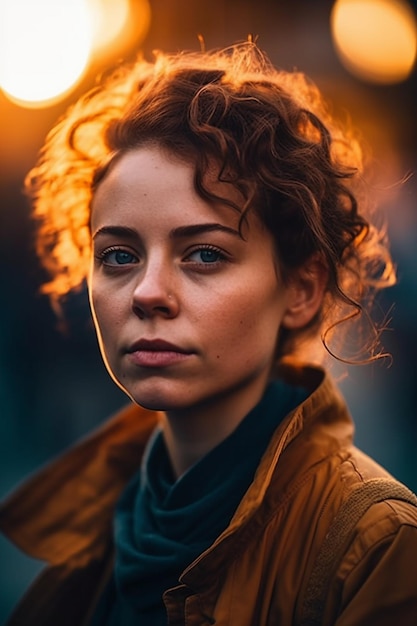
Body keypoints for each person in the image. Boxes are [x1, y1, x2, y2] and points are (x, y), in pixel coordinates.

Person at [1, 40, 416, 626]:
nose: (147, 292)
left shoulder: (377, 547)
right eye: (119, 255)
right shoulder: (90, 532)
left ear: (302, 290)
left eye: (203, 253)